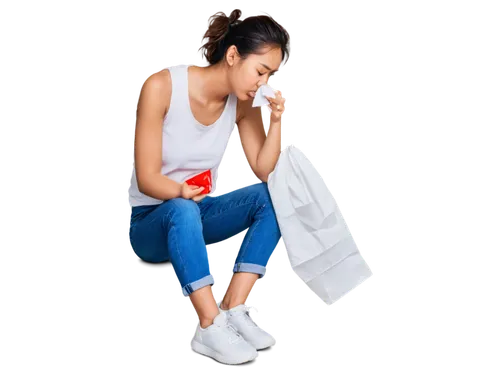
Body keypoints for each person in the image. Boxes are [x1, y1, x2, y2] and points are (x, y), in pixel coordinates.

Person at [127, 8, 291, 367]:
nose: (264, 84)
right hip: (150, 222)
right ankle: (209, 325)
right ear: (233, 55)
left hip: (195, 213)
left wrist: (276, 121)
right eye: (260, 72)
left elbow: (264, 170)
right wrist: (183, 193)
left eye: (271, 76)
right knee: (182, 209)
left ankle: (233, 308)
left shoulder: (243, 103)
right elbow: (146, 178)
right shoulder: (163, 85)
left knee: (271, 197)